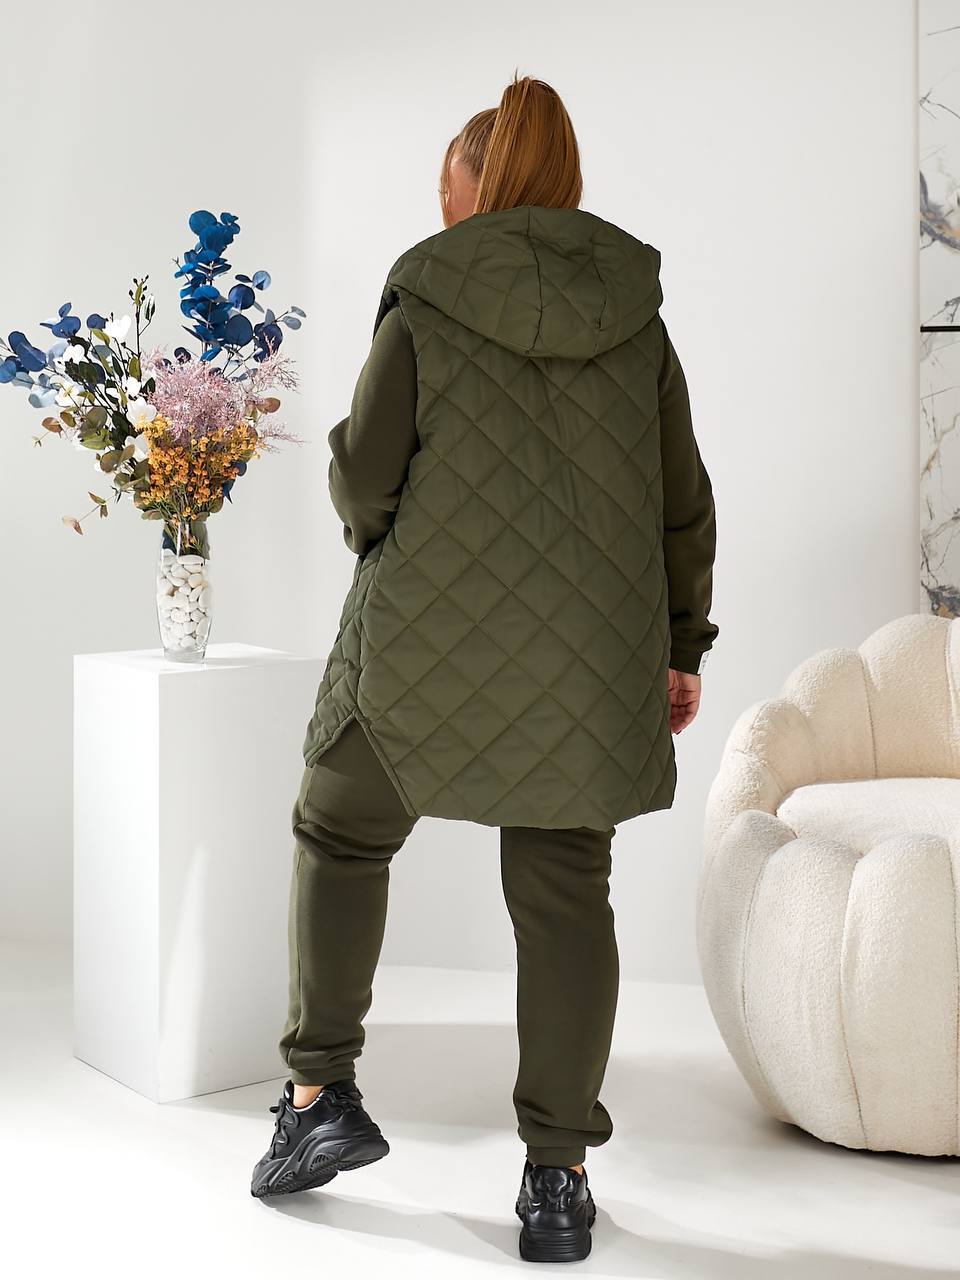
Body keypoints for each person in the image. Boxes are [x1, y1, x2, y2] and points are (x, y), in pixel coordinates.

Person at [249, 71, 718, 1265]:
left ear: (484, 182)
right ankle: (557, 1178)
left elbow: (364, 480)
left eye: (449, 189)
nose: (446, 211)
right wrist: (680, 642)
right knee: (566, 893)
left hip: (423, 650)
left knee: (338, 826)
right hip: (591, 664)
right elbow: (682, 500)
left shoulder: (428, 295)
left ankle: (318, 1097)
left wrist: (369, 511)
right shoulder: (638, 316)